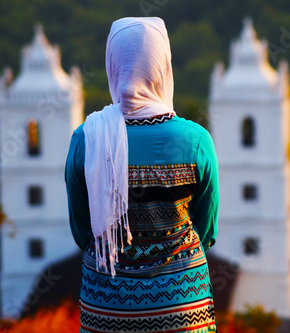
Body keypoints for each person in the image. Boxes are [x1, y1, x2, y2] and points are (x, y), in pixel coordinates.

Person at [65, 17, 219, 333]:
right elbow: (206, 229)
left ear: (113, 63)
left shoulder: (88, 138)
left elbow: (82, 230)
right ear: (163, 64)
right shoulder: (196, 140)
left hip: (107, 308)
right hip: (182, 305)